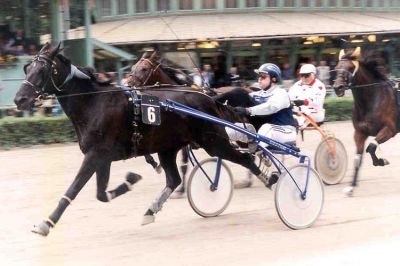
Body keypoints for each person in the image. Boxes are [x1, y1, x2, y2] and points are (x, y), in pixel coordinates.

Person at [226, 63, 297, 188]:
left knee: (265, 128)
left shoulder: (281, 93)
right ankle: (226, 141)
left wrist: (248, 110)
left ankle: (257, 151)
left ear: (273, 79)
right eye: (259, 77)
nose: (259, 79)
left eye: (263, 77)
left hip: (286, 132)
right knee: (233, 128)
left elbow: (271, 107)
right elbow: (244, 97)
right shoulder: (258, 94)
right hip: (267, 133)